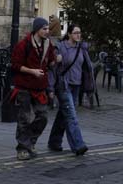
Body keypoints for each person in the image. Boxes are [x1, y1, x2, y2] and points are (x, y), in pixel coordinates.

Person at [11, 17, 59, 161]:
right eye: (44, 29)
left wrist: (55, 61)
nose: (47, 31)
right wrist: (32, 71)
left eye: (48, 29)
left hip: (39, 87)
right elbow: (15, 65)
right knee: (24, 118)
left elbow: (50, 62)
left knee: (42, 117)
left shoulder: (47, 44)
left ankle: (30, 142)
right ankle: (22, 148)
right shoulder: (23, 45)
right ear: (37, 30)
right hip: (24, 87)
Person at [47, 24, 91, 156]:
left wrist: (89, 85)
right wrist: (50, 88)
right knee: (71, 115)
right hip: (63, 85)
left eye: (80, 33)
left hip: (76, 85)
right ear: (70, 34)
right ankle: (78, 145)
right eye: (76, 33)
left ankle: (54, 142)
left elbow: (86, 67)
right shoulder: (61, 47)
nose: (78, 35)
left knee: (63, 113)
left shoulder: (81, 48)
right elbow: (52, 68)